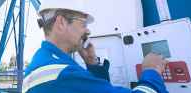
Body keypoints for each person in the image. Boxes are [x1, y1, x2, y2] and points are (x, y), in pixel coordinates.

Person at [23, 8, 168, 93]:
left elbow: (94, 88)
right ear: (61, 22)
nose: (87, 30)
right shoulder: (62, 74)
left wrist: (92, 64)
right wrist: (151, 70)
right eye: (84, 23)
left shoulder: (45, 62)